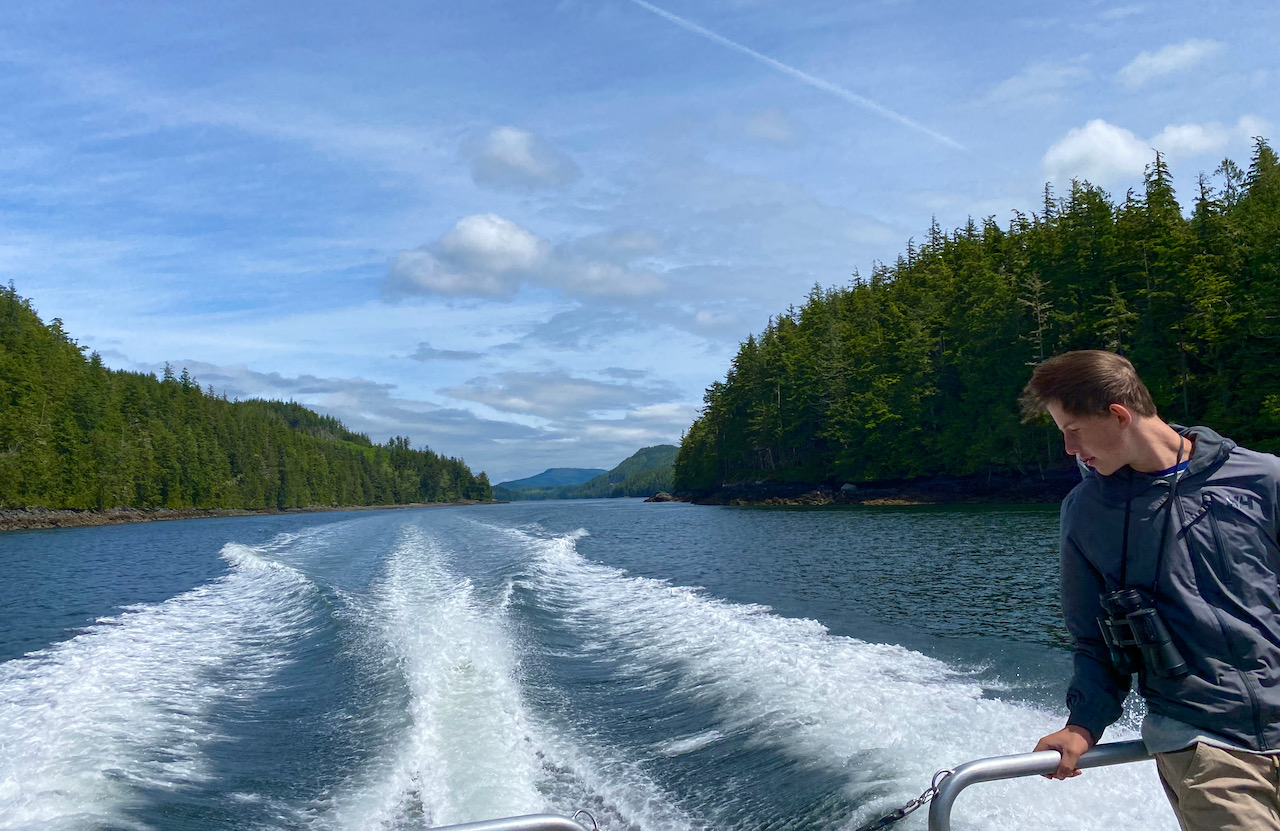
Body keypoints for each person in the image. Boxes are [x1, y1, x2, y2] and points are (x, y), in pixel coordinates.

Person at [1021, 350, 1280, 831]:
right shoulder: (1085, 514)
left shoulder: (1263, 479)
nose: (1069, 450)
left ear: (1119, 415)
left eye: (1072, 429)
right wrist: (1084, 724)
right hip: (1203, 741)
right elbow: (1092, 636)